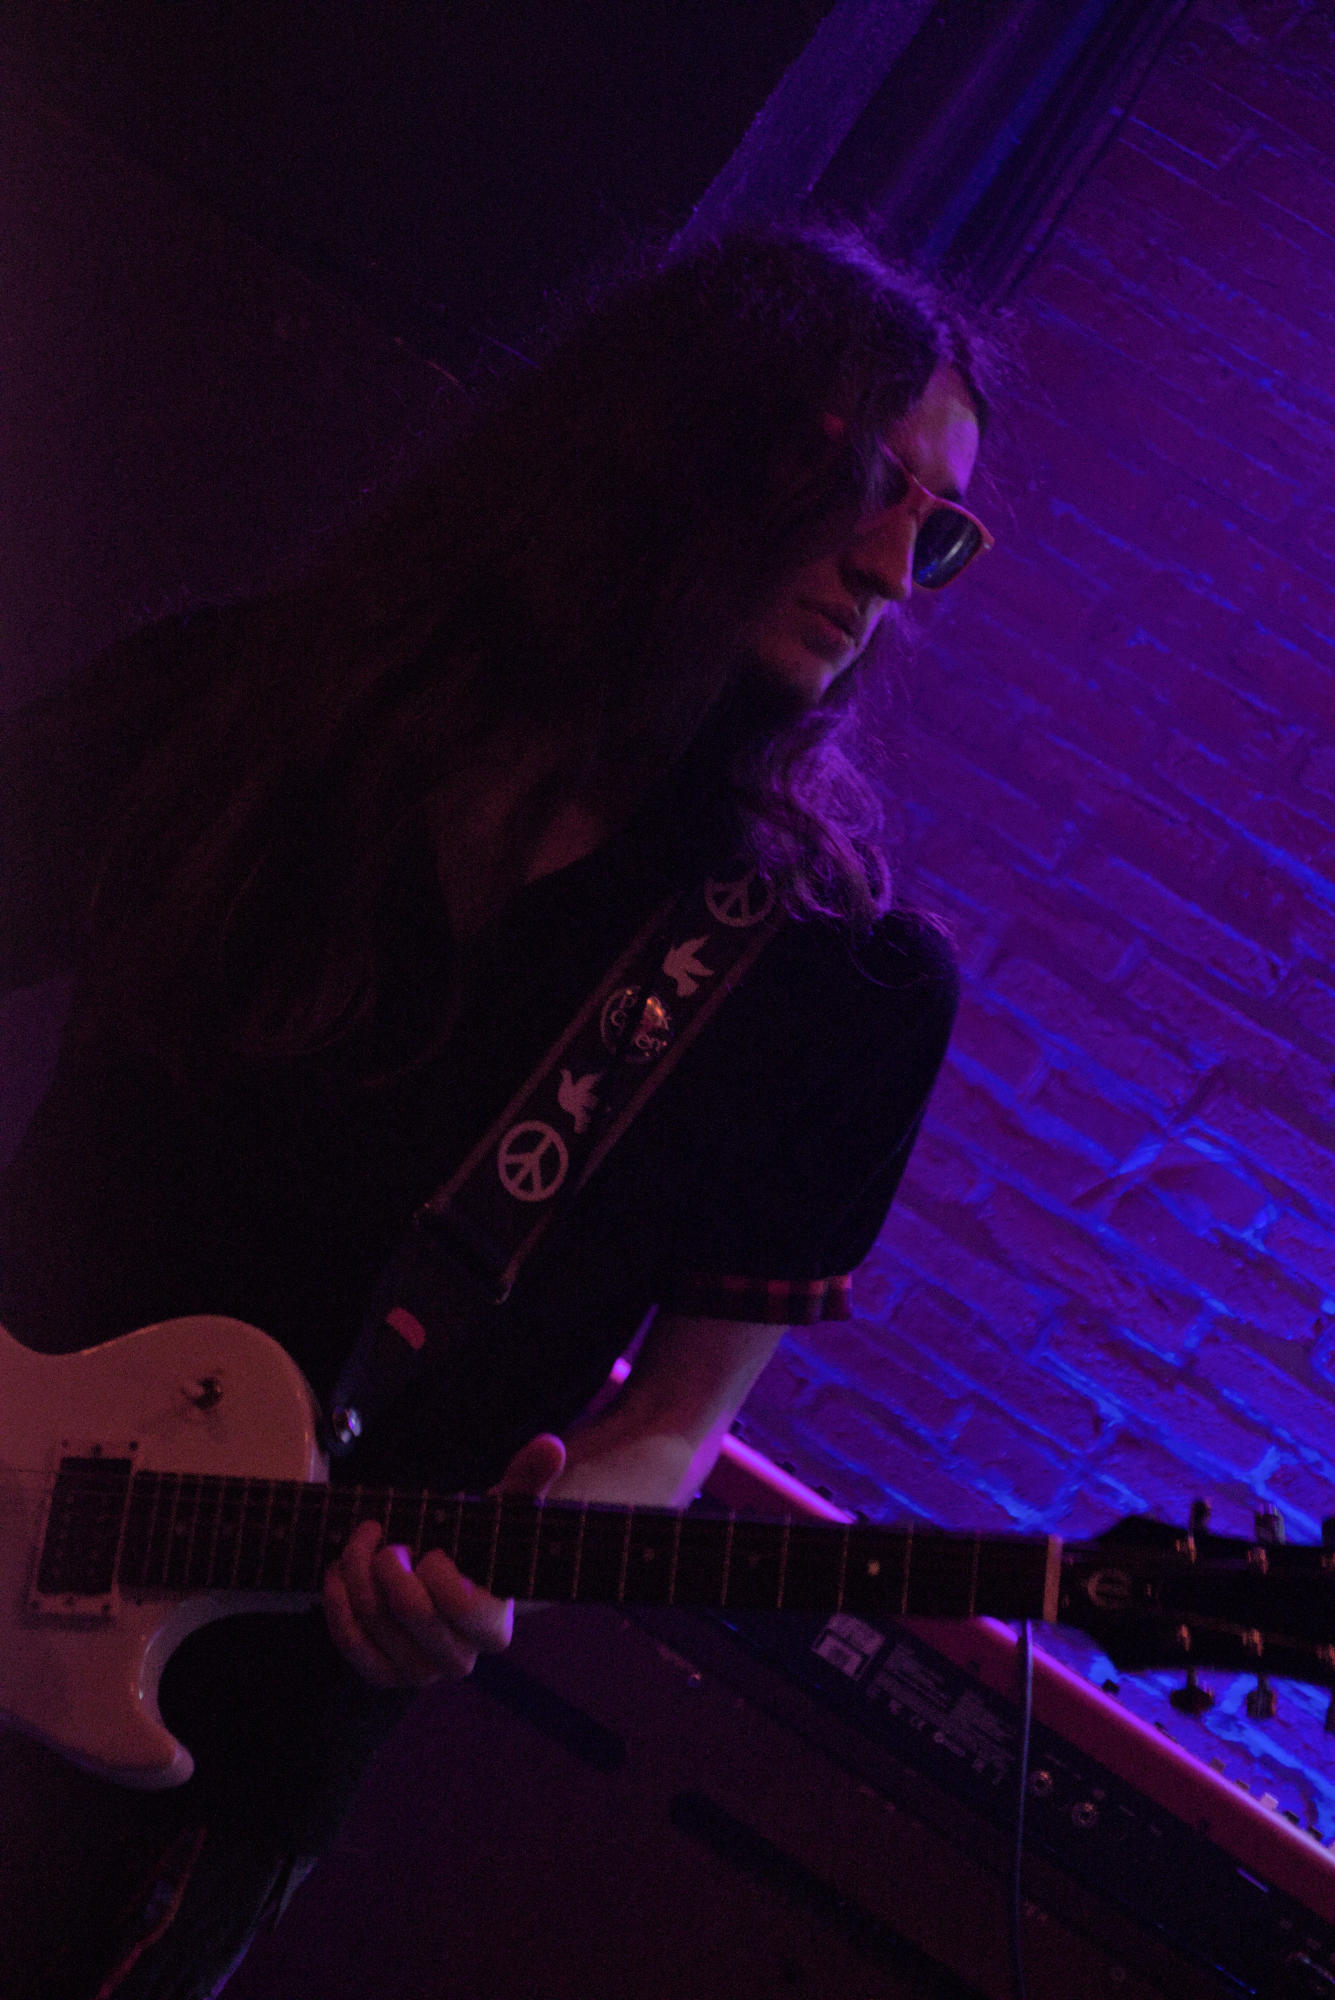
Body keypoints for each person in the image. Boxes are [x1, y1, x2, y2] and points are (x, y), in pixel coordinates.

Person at [0, 221, 991, 1996]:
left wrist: (500, 1563)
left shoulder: (835, 987)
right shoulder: (247, 704)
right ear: (681, 436)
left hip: (212, 1755)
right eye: (866, 481)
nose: (893, 568)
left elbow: (673, 1422)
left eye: (942, 528)